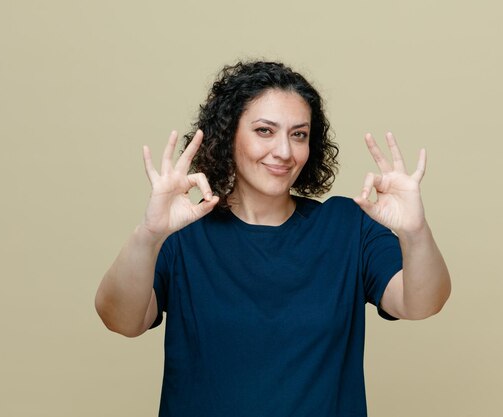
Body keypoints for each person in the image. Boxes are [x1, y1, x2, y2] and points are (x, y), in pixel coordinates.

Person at [95, 61, 451, 417]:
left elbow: (420, 304)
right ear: (228, 135)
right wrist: (149, 234)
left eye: (298, 134)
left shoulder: (346, 226)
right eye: (265, 131)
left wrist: (415, 231)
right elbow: (122, 321)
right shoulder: (183, 233)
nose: (284, 151)